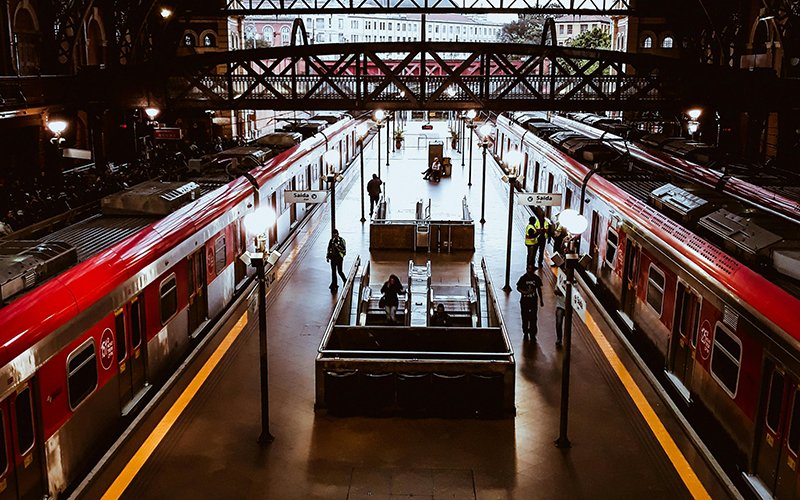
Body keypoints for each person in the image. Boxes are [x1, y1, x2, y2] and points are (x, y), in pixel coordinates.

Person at [516, 264, 544, 340]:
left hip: (533, 300)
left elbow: (539, 289)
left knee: (533, 317)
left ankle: (532, 333)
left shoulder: (536, 278)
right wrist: (524, 292)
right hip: (525, 301)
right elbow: (518, 287)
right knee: (525, 316)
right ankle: (525, 331)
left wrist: (541, 300)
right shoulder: (523, 278)